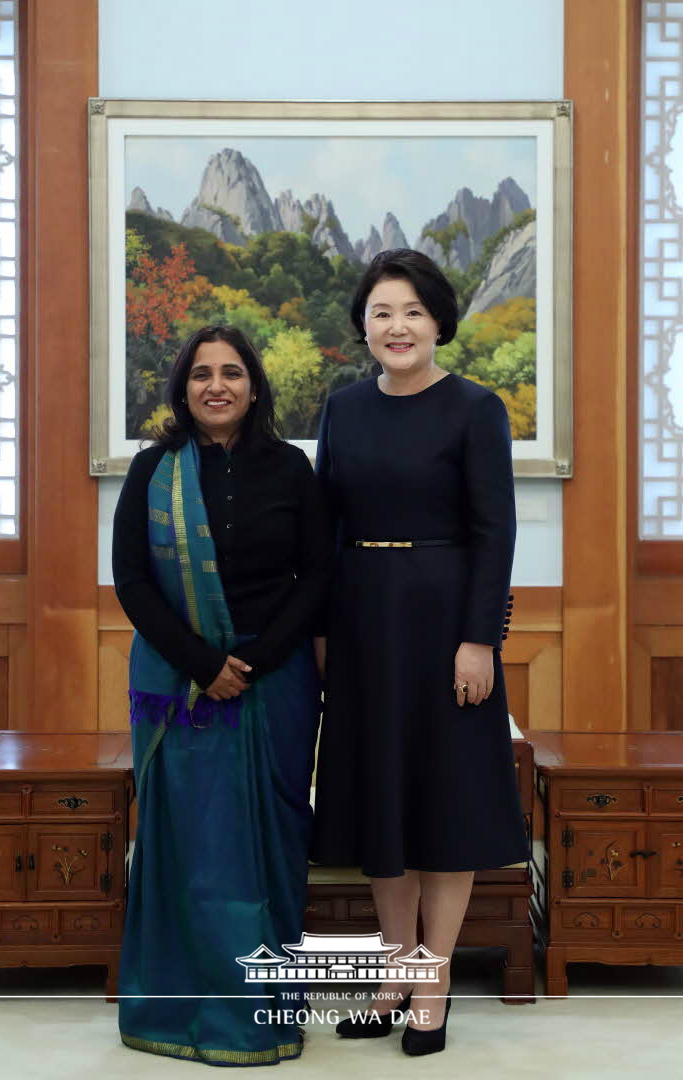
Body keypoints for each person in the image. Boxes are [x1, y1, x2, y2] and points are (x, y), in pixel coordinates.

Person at [311, 249, 530, 1057]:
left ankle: (433, 979)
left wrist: (480, 640)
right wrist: (325, 633)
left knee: (443, 800)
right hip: (362, 618)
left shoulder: (476, 408)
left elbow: (494, 532)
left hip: (446, 624)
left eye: (411, 311)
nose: (395, 326)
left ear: (438, 321)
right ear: (363, 327)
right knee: (380, 798)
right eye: (380, 313)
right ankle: (392, 972)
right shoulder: (343, 409)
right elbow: (326, 530)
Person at [113, 325, 329, 1066]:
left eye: (232, 372)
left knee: (272, 841)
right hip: (180, 684)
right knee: (191, 844)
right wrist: (204, 663)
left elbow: (318, 577)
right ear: (182, 387)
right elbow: (134, 582)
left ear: (255, 386)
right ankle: (177, 1008)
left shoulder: (292, 470)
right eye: (202, 373)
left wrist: (256, 660)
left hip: (276, 683)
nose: (217, 385)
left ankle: (263, 1007)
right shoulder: (153, 470)